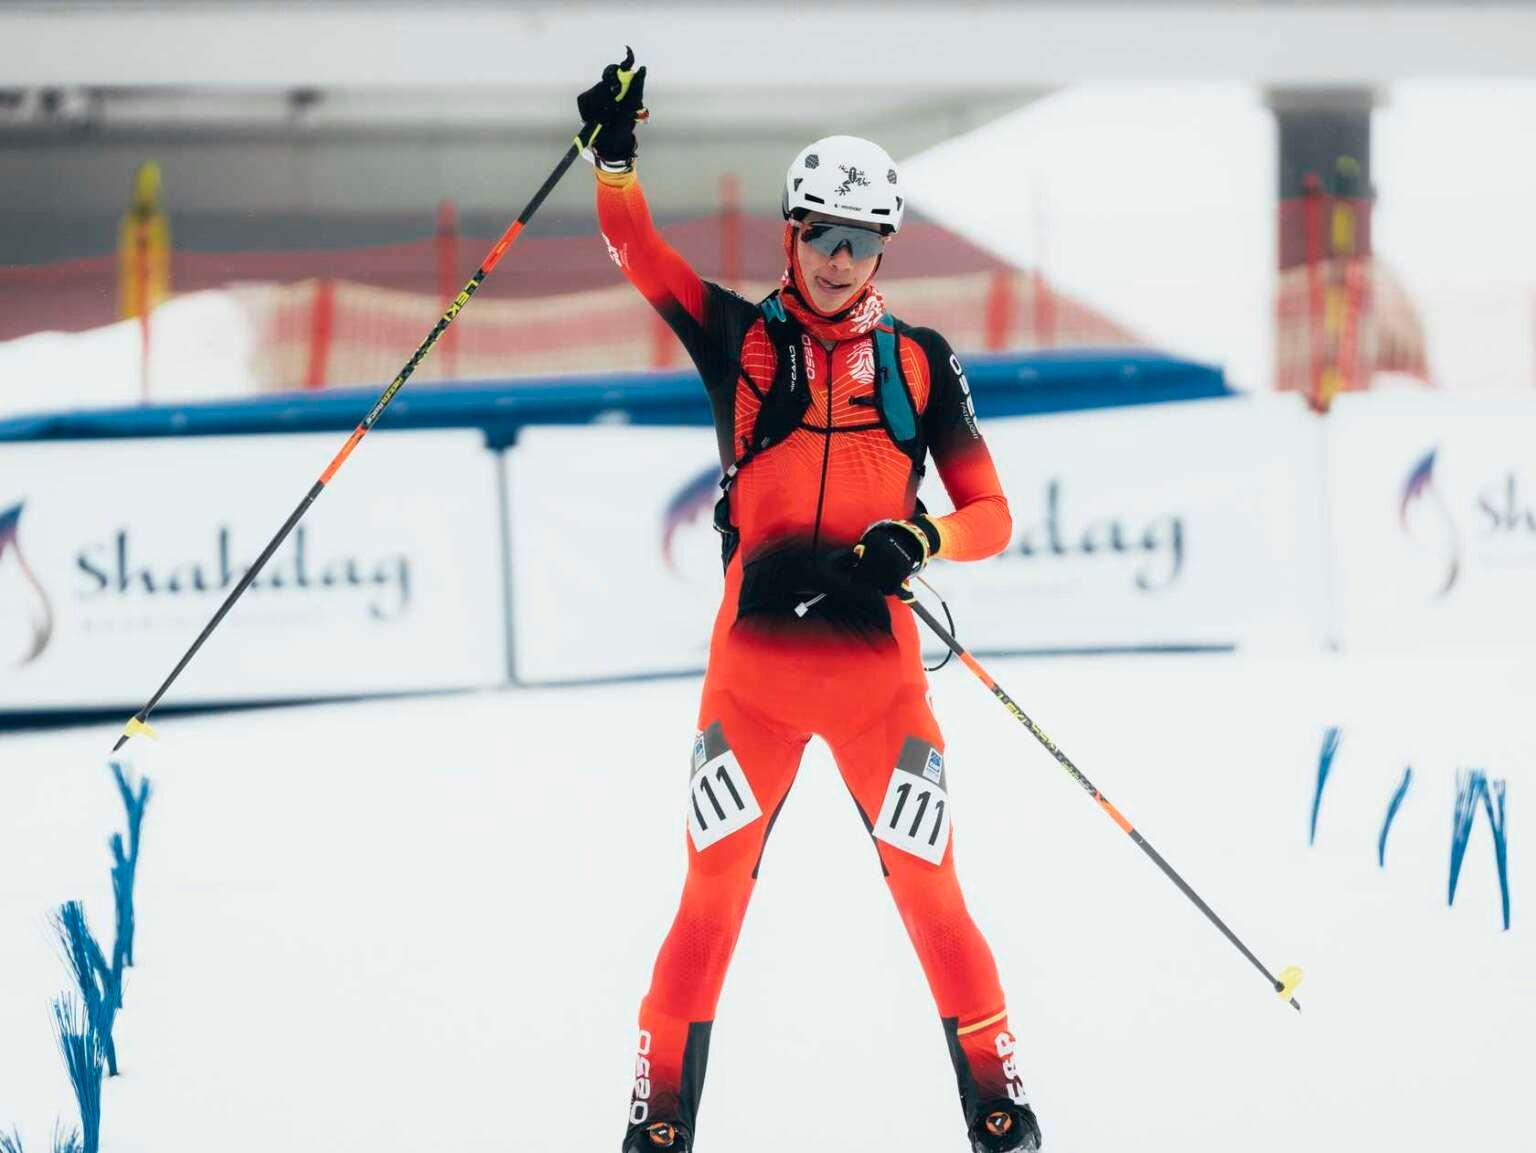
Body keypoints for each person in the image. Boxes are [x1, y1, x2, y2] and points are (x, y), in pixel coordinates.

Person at [577, 51, 1043, 1153]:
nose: (839, 260)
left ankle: (999, 1103)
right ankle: (661, 1114)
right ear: (789, 234)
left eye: (862, 240)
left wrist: (923, 536)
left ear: (885, 247)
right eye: (822, 234)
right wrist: (614, 157)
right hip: (754, 687)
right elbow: (637, 249)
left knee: (935, 896)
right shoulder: (737, 339)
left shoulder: (921, 363)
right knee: (712, 896)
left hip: (880, 687)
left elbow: (991, 514)